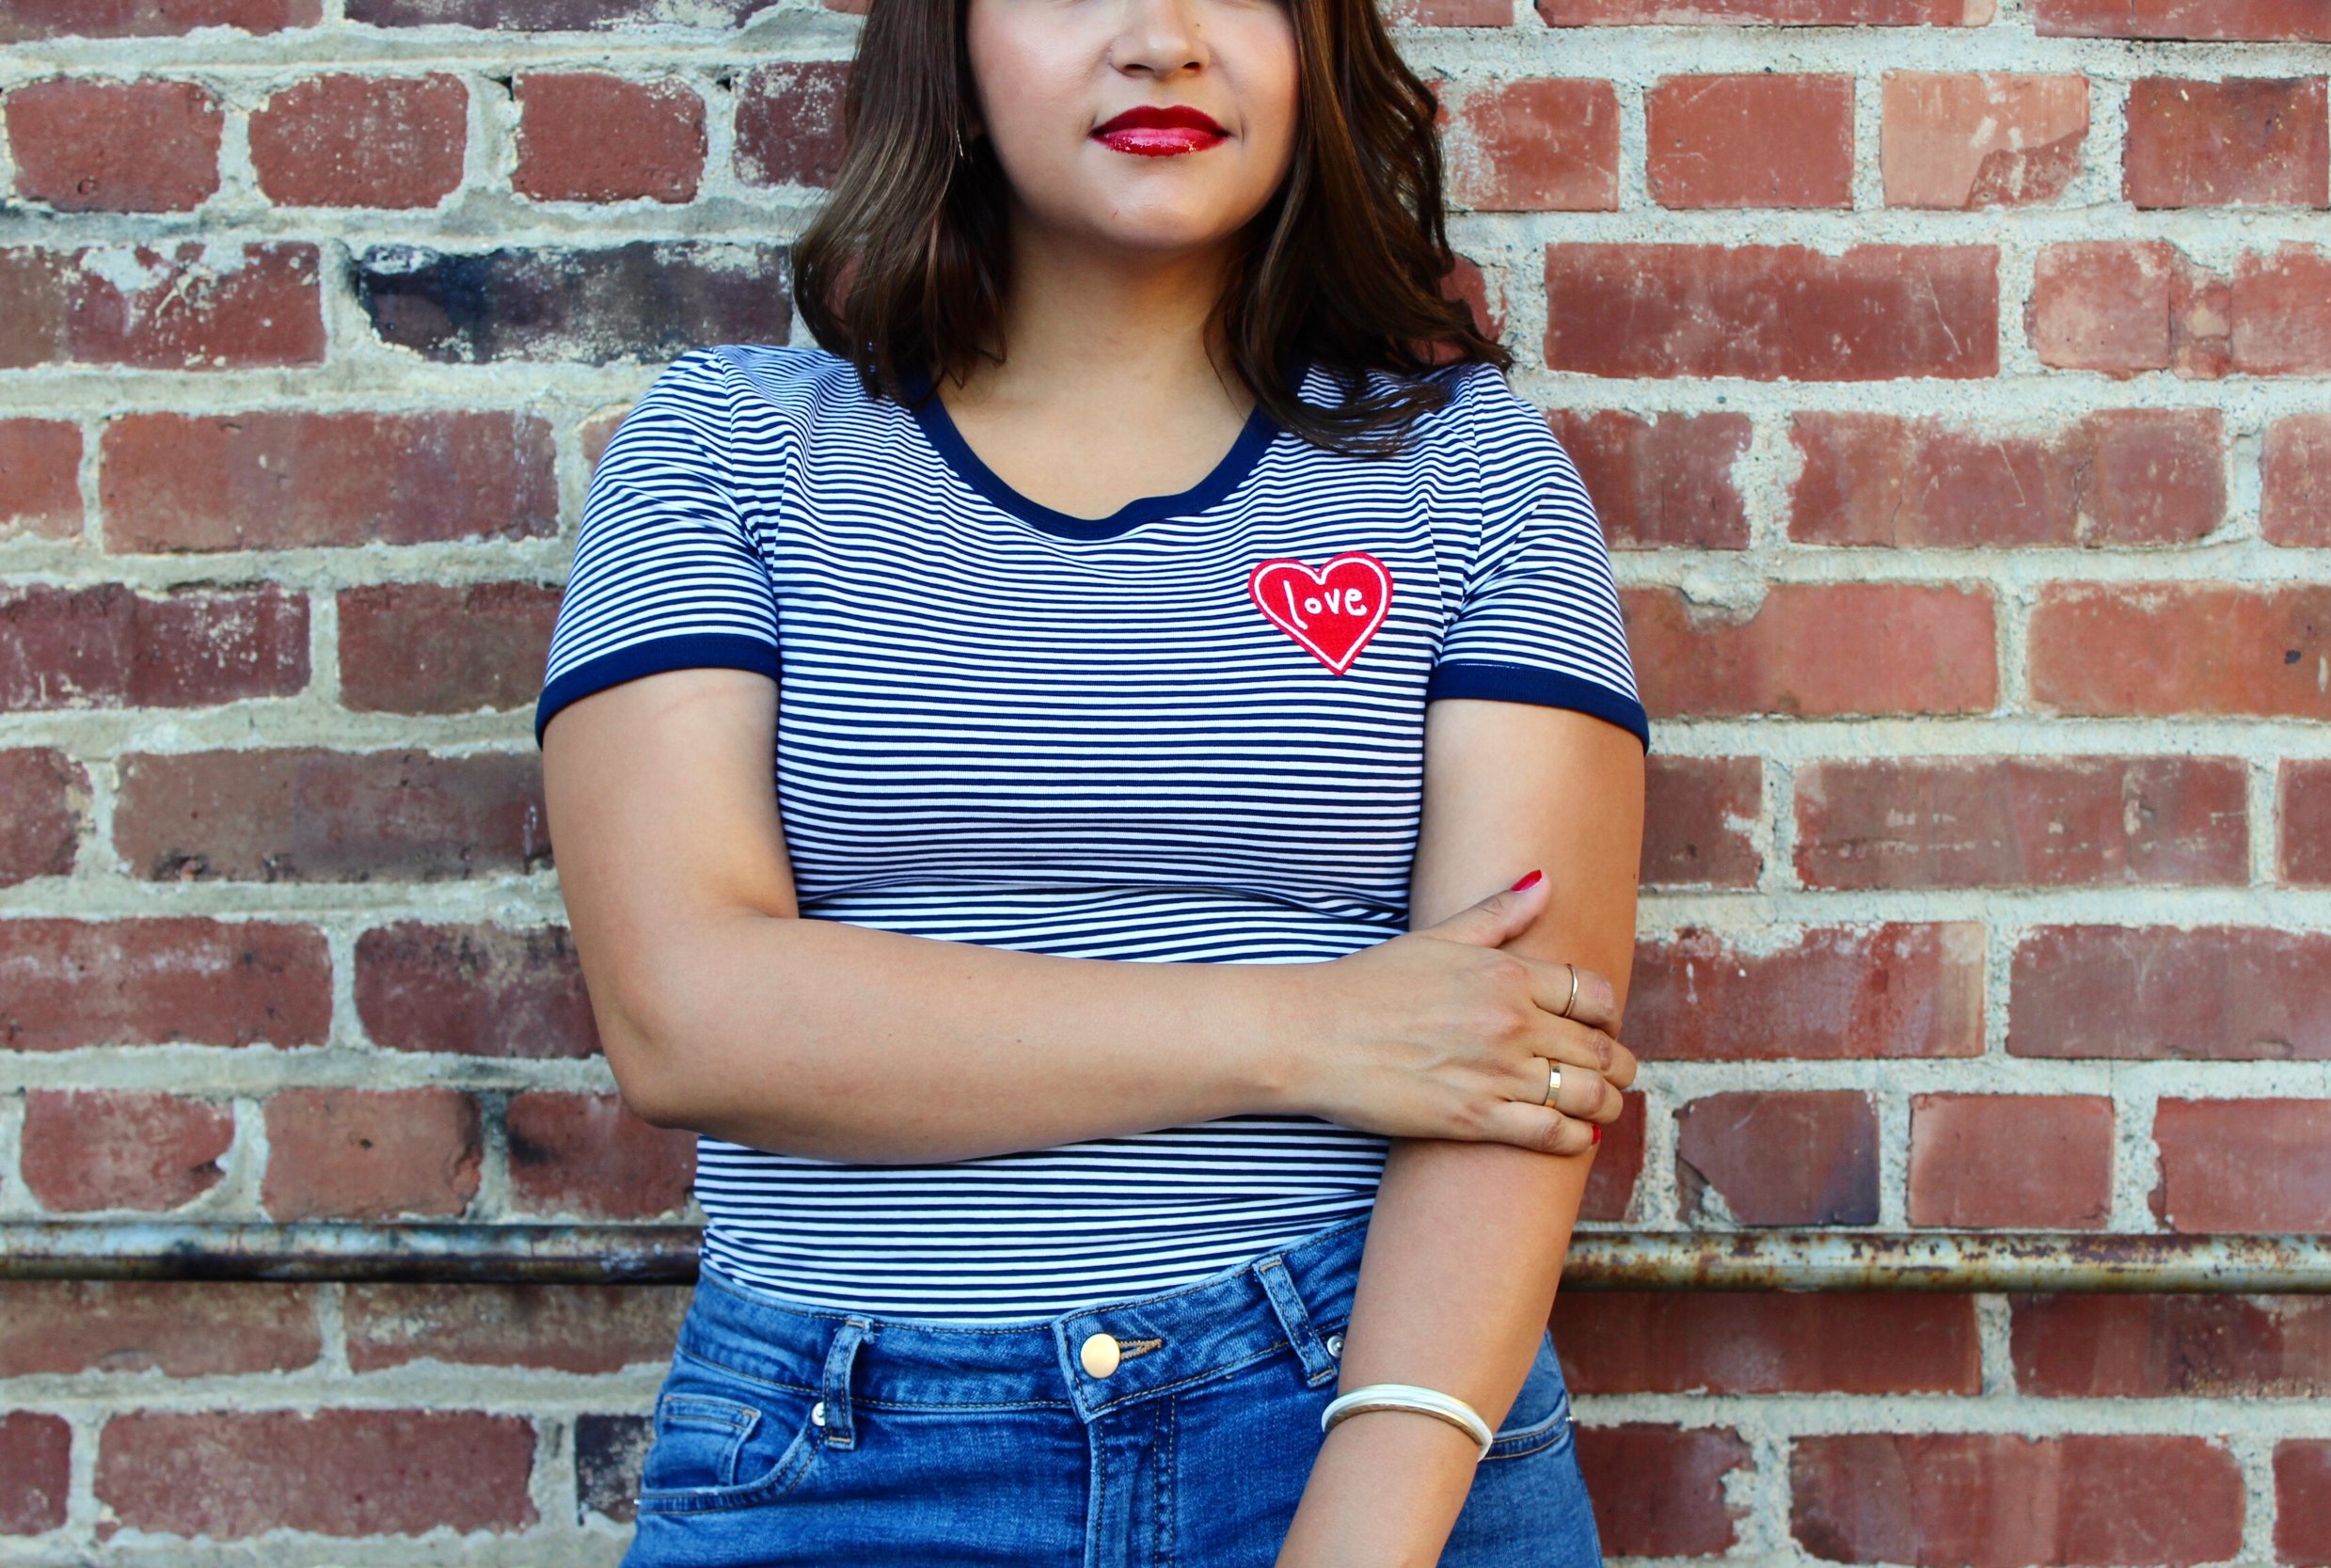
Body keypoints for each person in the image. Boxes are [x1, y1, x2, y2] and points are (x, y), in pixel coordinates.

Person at [533, 0, 1651, 1555]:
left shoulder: (1470, 471)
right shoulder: (722, 456)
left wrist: (1361, 1529)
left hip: (1366, 1414)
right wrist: (1308, 1029)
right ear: (953, 51)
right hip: (842, 1445)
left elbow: (1514, 1062)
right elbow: (682, 1012)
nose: (1164, 41)